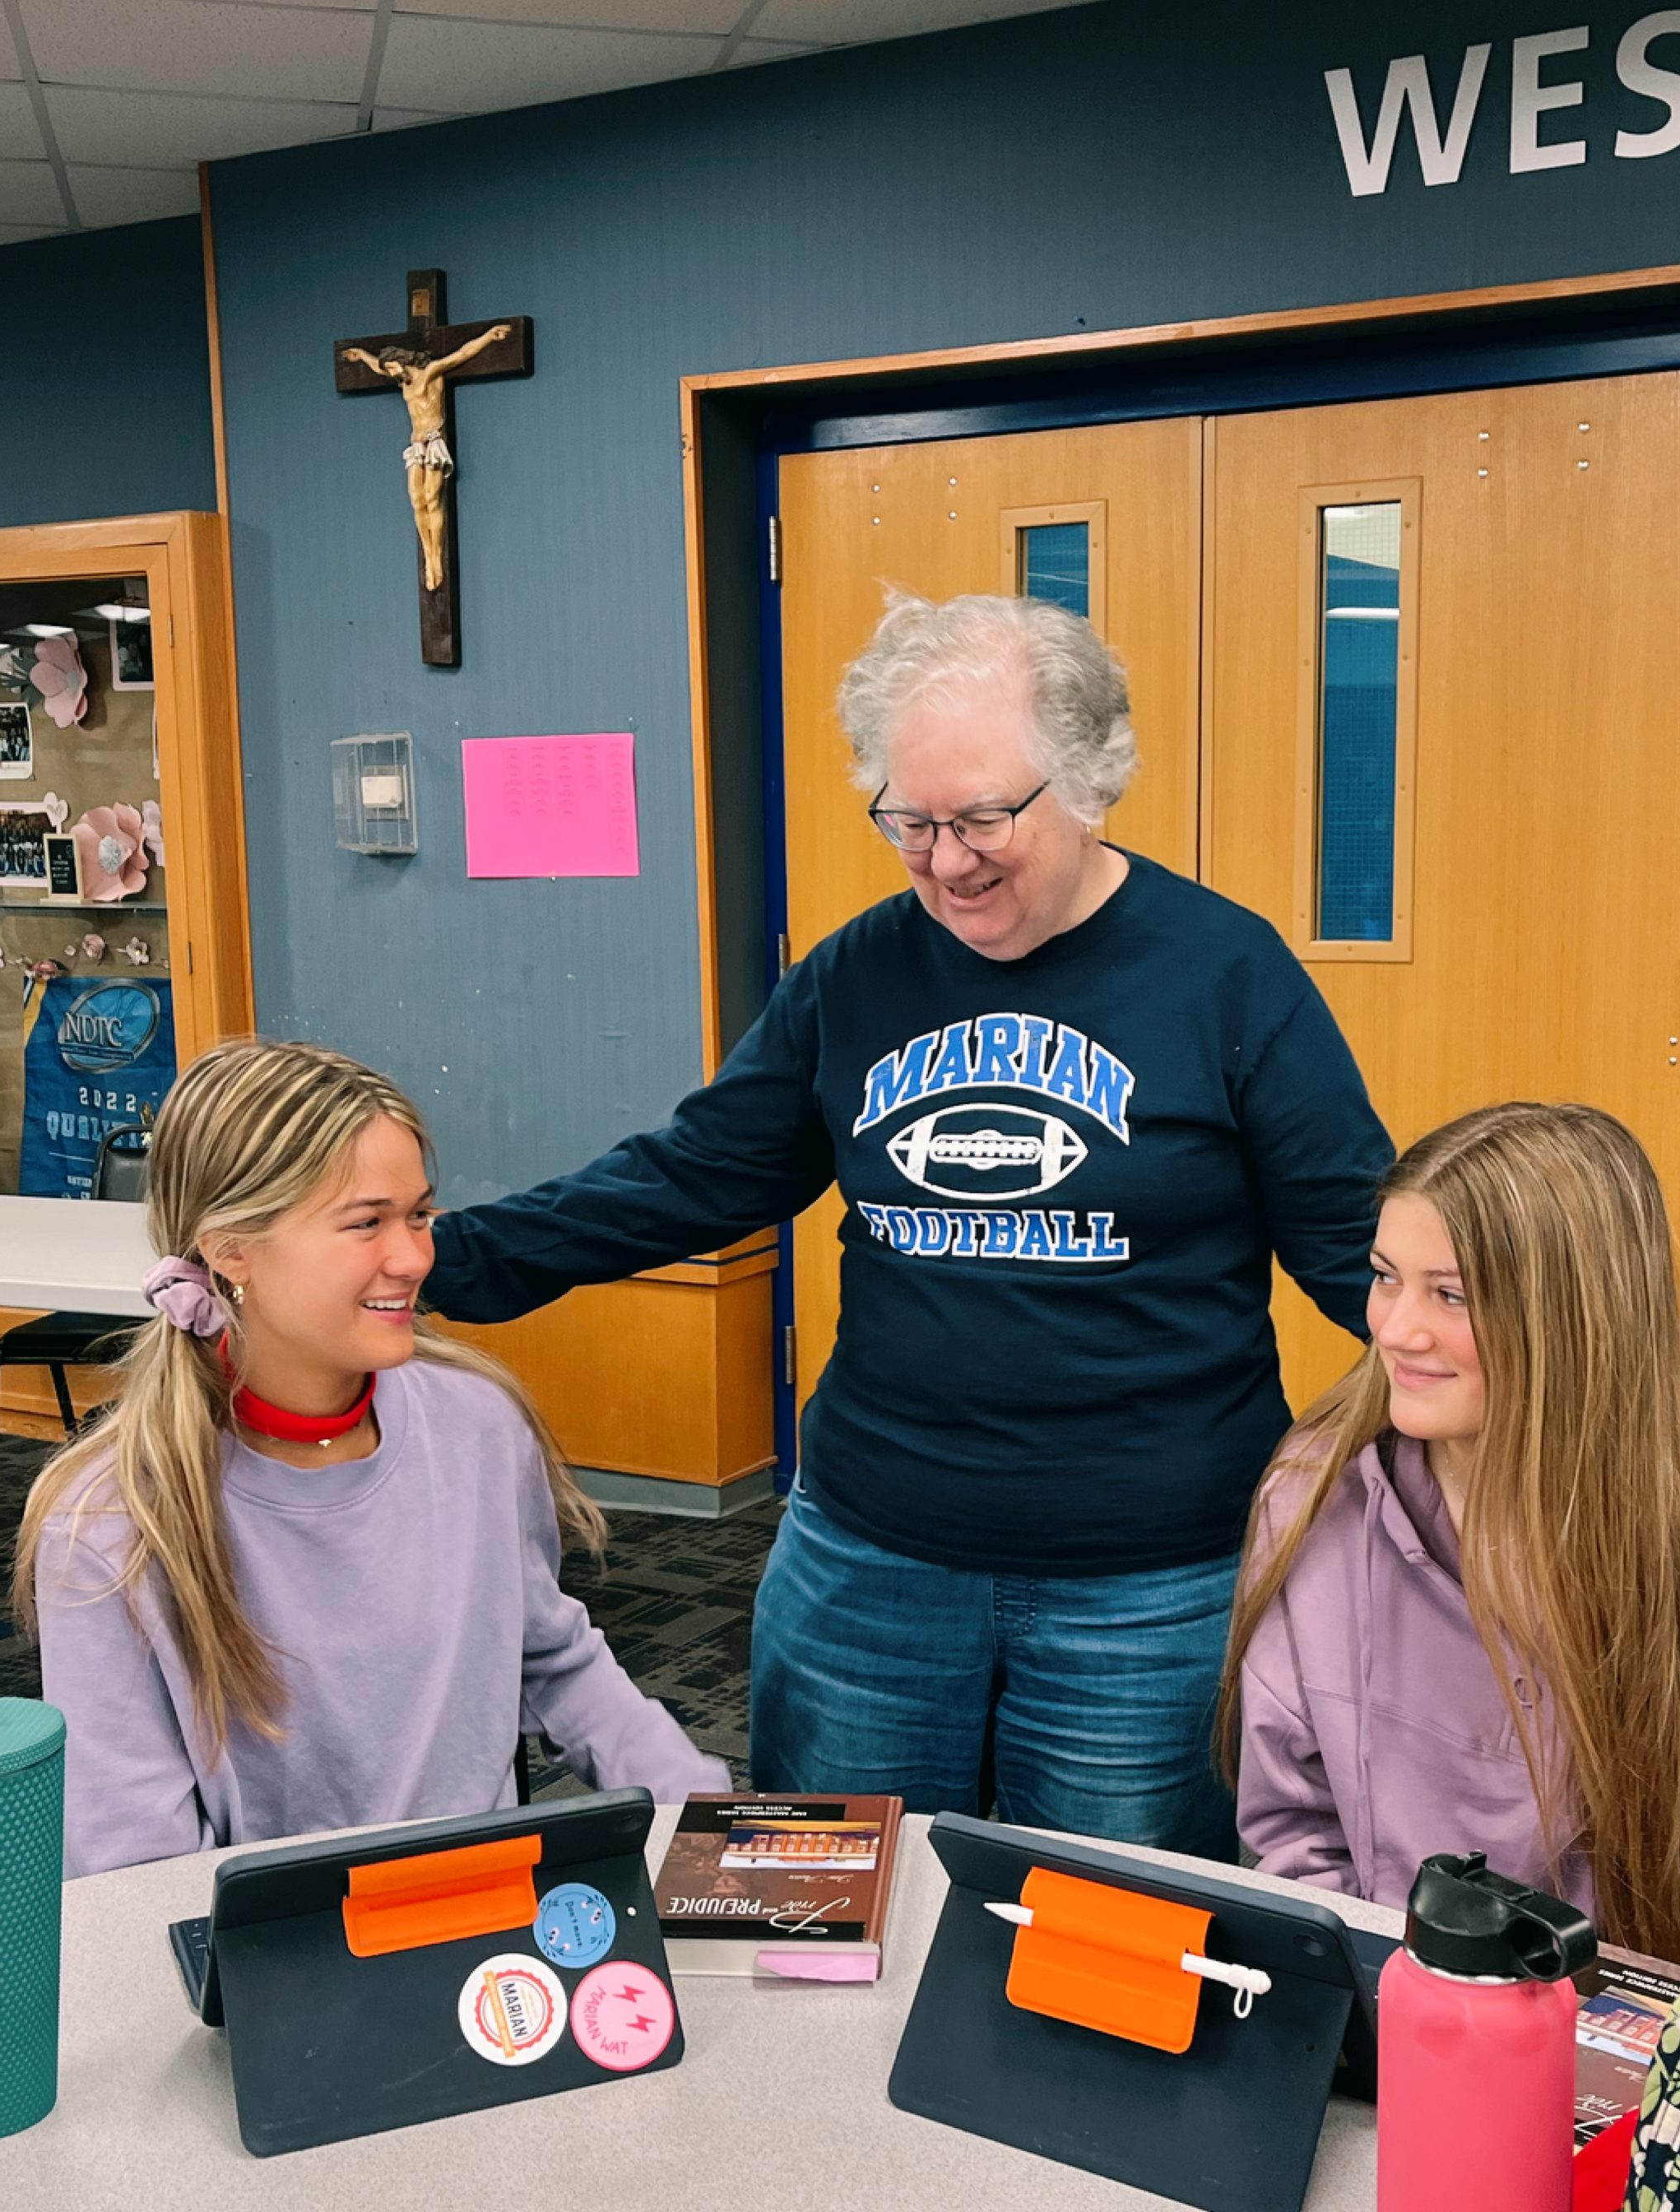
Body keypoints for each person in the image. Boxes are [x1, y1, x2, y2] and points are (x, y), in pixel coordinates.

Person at [424, 589, 1391, 1858]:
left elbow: (1355, 1249)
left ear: (1093, 779)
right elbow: (696, 1175)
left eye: (985, 817)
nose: (947, 860)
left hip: (1151, 1591)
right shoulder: (856, 974)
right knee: (817, 1926)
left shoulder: (1228, 974)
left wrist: (1551, 1393)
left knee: (1109, 1962)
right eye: (910, 821)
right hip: (867, 1567)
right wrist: (439, 1261)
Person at [21, 1037, 726, 1878]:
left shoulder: (477, 1423)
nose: (416, 1257)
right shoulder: (110, 1523)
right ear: (231, 1248)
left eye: (419, 1215)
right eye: (366, 1224)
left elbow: (553, 1658)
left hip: (487, 1950)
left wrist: (709, 1822)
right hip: (277, 1973)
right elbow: (129, 1855)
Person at [1223, 1101, 1680, 1960]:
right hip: (1387, 2029)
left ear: (1569, 1318)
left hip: (1629, 2055)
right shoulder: (1312, 1500)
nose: (1394, 1329)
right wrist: (1386, 2011)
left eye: (1449, 1294)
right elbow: (1292, 1825)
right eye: (1385, 1277)